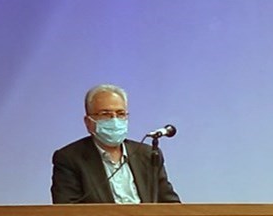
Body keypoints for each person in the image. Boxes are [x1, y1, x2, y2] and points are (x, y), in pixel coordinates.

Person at [51, 84, 181, 204]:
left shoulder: (148, 154)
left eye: (120, 114)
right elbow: (67, 210)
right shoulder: (69, 158)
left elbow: (170, 204)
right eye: (105, 114)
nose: (114, 120)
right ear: (88, 122)